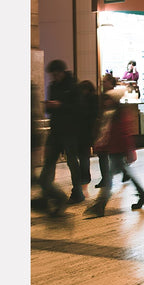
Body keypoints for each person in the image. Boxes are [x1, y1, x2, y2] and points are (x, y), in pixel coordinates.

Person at [85, 88, 144, 216]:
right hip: (115, 150)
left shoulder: (119, 114)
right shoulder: (113, 113)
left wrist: (130, 151)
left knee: (109, 177)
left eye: (108, 100)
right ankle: (143, 196)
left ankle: (100, 205)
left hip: (118, 151)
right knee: (127, 174)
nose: (105, 102)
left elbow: (124, 134)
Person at [39, 59, 84, 213]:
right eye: (52, 74)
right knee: (49, 162)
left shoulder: (73, 86)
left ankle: (77, 192)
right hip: (56, 130)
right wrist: (50, 106)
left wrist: (60, 105)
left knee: (72, 161)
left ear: (63, 72)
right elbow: (52, 111)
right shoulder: (53, 86)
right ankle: (46, 193)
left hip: (70, 130)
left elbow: (78, 108)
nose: (54, 77)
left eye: (56, 73)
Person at [73, 79, 101, 200]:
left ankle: (84, 184)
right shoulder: (89, 101)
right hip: (83, 134)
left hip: (84, 134)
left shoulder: (88, 101)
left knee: (84, 158)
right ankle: (83, 184)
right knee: (83, 158)